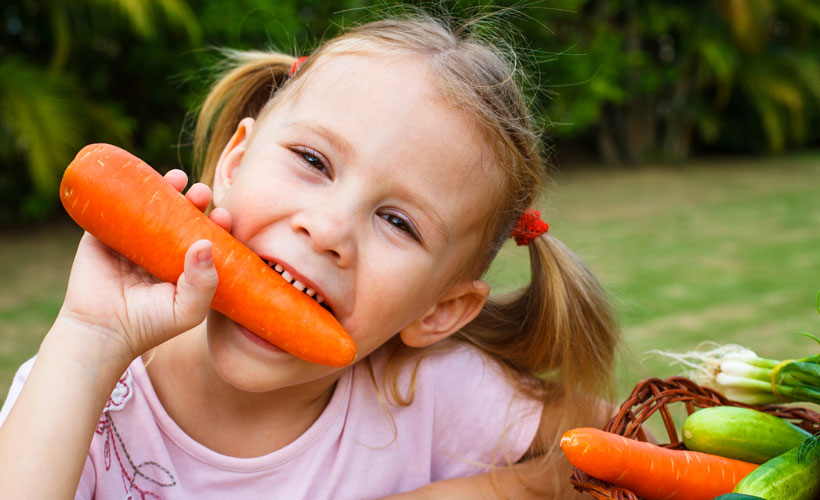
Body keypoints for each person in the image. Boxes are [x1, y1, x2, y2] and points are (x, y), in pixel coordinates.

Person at [0, 12, 619, 499]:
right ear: (235, 164)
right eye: (313, 161)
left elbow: (625, 441)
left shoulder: (427, 391)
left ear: (439, 310)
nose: (327, 230)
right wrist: (89, 335)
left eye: (399, 222)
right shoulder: (78, 389)